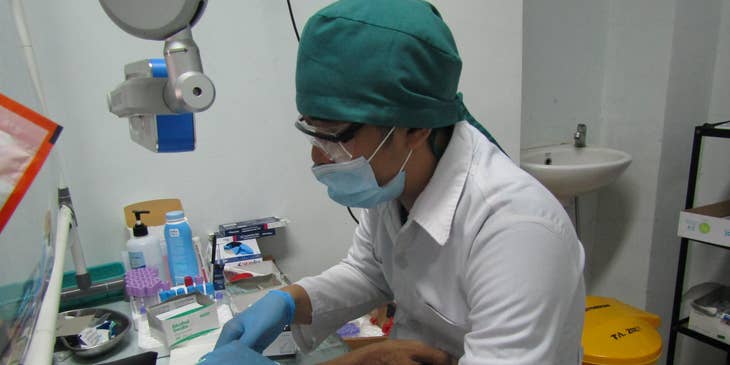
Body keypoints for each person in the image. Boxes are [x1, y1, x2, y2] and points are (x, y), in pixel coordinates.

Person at [201, 0, 585, 364]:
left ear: (415, 128)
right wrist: (289, 301)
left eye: (335, 135)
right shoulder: (398, 179)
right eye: (312, 130)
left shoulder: (516, 231)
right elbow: (370, 271)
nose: (318, 157)